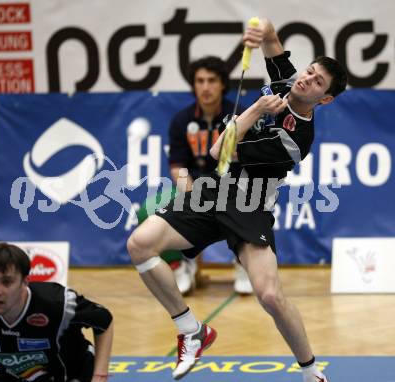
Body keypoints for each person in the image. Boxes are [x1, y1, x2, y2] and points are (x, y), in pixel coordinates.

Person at [127, 17, 347, 382]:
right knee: (140, 244)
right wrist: (261, 31)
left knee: (270, 297)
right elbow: (272, 37)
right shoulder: (286, 81)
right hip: (212, 192)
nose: (305, 79)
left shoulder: (297, 140)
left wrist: (256, 110)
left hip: (249, 205)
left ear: (323, 99)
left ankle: (311, 370)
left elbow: (218, 150)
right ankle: (191, 329)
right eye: (309, 71)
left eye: (317, 81)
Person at [0, 242, 113, 382]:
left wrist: (100, 376)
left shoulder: (58, 303)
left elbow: (104, 320)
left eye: (7, 282)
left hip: (73, 374)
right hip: (15, 376)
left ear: (25, 282)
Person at [167, 55, 253, 295]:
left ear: (223, 84)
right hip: (194, 188)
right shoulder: (181, 121)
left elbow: (253, 163)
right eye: (200, 81)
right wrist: (195, 194)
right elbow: (177, 166)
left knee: (253, 202)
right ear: (193, 84)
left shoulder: (241, 116)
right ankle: (181, 265)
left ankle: (243, 264)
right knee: (149, 209)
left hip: (235, 187)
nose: (205, 87)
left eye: (212, 80)